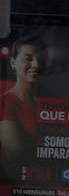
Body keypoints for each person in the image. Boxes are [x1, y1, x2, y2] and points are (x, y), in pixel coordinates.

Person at [0, 34, 48, 181]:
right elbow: (15, 153)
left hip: (48, 187)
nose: (36, 65)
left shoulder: (50, 102)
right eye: (28, 59)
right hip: (16, 188)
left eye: (40, 59)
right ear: (13, 63)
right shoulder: (5, 102)